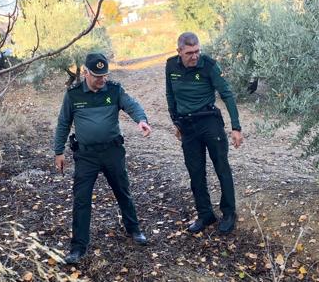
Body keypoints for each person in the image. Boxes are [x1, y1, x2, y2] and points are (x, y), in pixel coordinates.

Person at [54, 52, 152, 264]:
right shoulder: (74, 95)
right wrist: (58, 151)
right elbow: (63, 123)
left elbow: (132, 104)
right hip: (86, 155)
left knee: (122, 191)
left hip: (112, 152)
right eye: (98, 75)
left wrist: (141, 120)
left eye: (105, 75)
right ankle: (78, 247)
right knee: (81, 200)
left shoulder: (114, 90)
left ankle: (133, 229)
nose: (102, 79)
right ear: (87, 73)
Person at [165, 32, 244, 235]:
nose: (195, 56)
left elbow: (226, 94)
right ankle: (205, 214)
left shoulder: (208, 65)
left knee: (221, 168)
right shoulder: (171, 65)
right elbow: (170, 95)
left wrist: (236, 127)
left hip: (210, 121)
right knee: (195, 172)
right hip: (187, 126)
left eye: (197, 51)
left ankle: (228, 213)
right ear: (179, 51)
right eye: (190, 52)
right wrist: (176, 122)